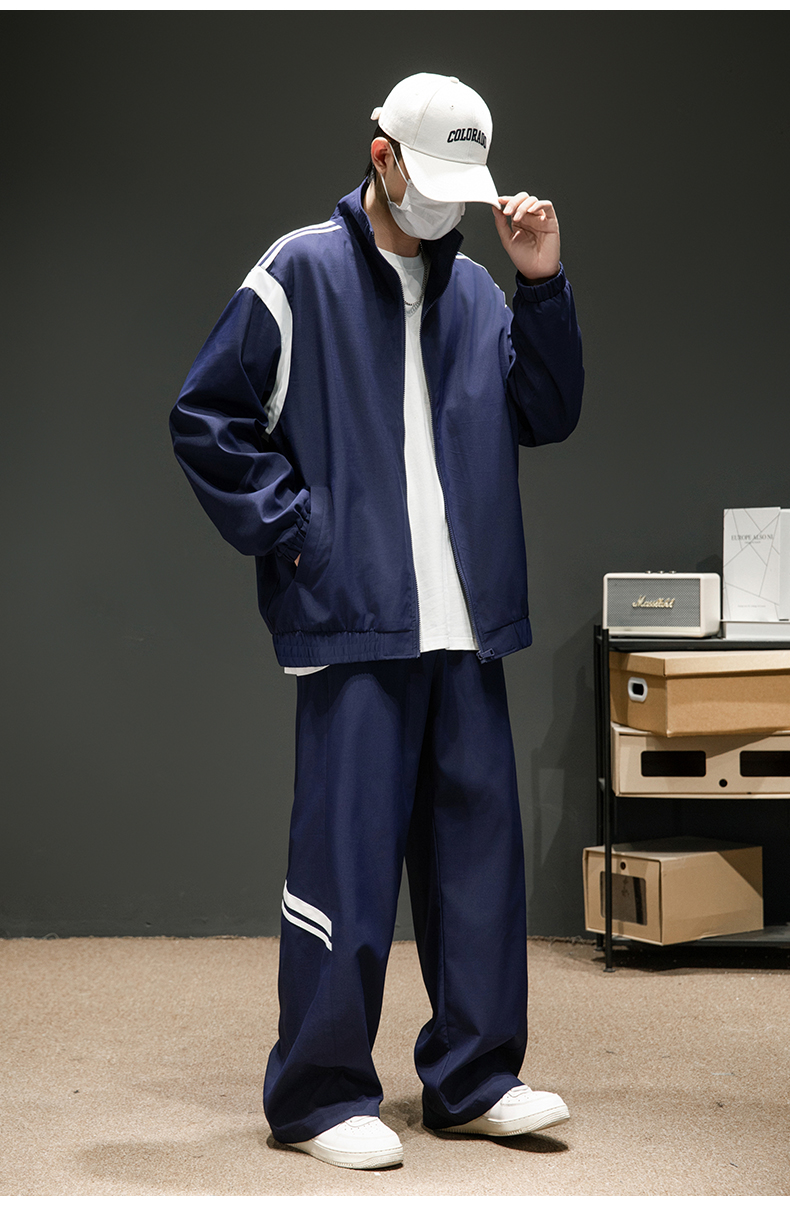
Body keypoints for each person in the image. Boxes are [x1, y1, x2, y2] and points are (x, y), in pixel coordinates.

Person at [170, 72, 584, 1171]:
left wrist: (542, 285)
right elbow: (206, 416)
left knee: (478, 870)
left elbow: (547, 413)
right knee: (344, 868)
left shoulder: (482, 292)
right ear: (381, 157)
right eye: (429, 182)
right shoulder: (296, 272)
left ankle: (476, 1077)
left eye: (463, 191)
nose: (446, 210)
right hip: (355, 619)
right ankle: (316, 1095)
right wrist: (298, 531)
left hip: (468, 629)